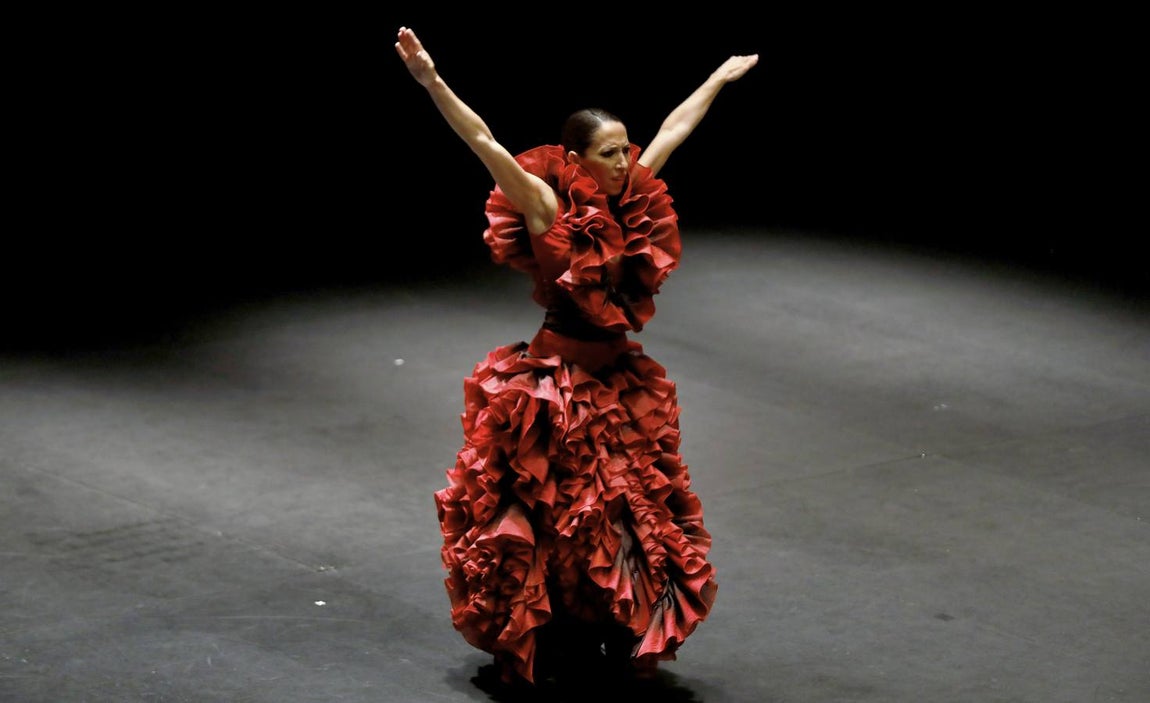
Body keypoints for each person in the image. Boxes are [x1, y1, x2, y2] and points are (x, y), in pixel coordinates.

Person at [395, 25, 758, 689]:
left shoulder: (631, 194)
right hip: (556, 385)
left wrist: (718, 78)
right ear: (576, 158)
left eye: (625, 150)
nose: (624, 162)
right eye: (610, 153)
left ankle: (611, 621)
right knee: (551, 510)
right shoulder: (543, 203)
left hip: (615, 379)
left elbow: (675, 128)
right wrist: (432, 81)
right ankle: (544, 629)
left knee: (623, 509)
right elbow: (483, 141)